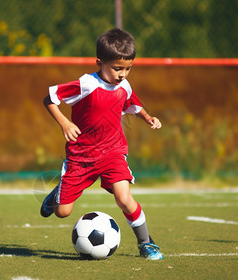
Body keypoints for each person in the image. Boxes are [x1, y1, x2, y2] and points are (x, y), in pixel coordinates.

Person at [40, 28, 164, 260]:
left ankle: (146, 243)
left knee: (124, 199)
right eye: (117, 68)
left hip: (113, 153)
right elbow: (50, 99)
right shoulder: (86, 84)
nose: (122, 74)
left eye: (128, 68)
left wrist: (148, 118)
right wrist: (65, 123)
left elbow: (134, 105)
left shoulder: (124, 86)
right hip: (81, 157)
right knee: (62, 212)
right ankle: (57, 194)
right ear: (100, 62)